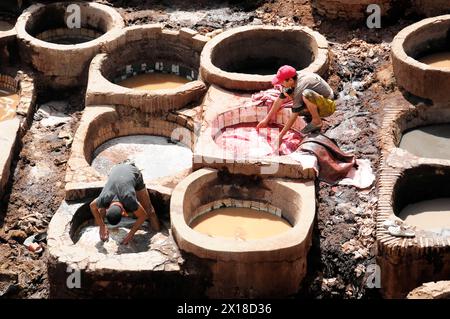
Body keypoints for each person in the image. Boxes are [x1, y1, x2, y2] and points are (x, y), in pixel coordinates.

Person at [256, 65, 336, 140]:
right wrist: (266, 120)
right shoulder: (293, 77)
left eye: (282, 82)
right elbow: (280, 99)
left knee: (306, 95)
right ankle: (310, 111)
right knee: (290, 94)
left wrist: (280, 137)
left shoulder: (300, 87)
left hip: (328, 105)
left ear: (290, 80)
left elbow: (294, 115)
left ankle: (316, 121)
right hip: (318, 97)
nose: (281, 84)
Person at [89, 162, 160, 245]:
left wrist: (131, 234)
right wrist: (102, 225)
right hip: (115, 169)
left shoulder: (129, 199)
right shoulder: (104, 198)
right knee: (101, 210)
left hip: (133, 172)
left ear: (124, 212)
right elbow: (92, 206)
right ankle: (99, 233)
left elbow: (143, 215)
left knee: (149, 210)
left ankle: (158, 232)